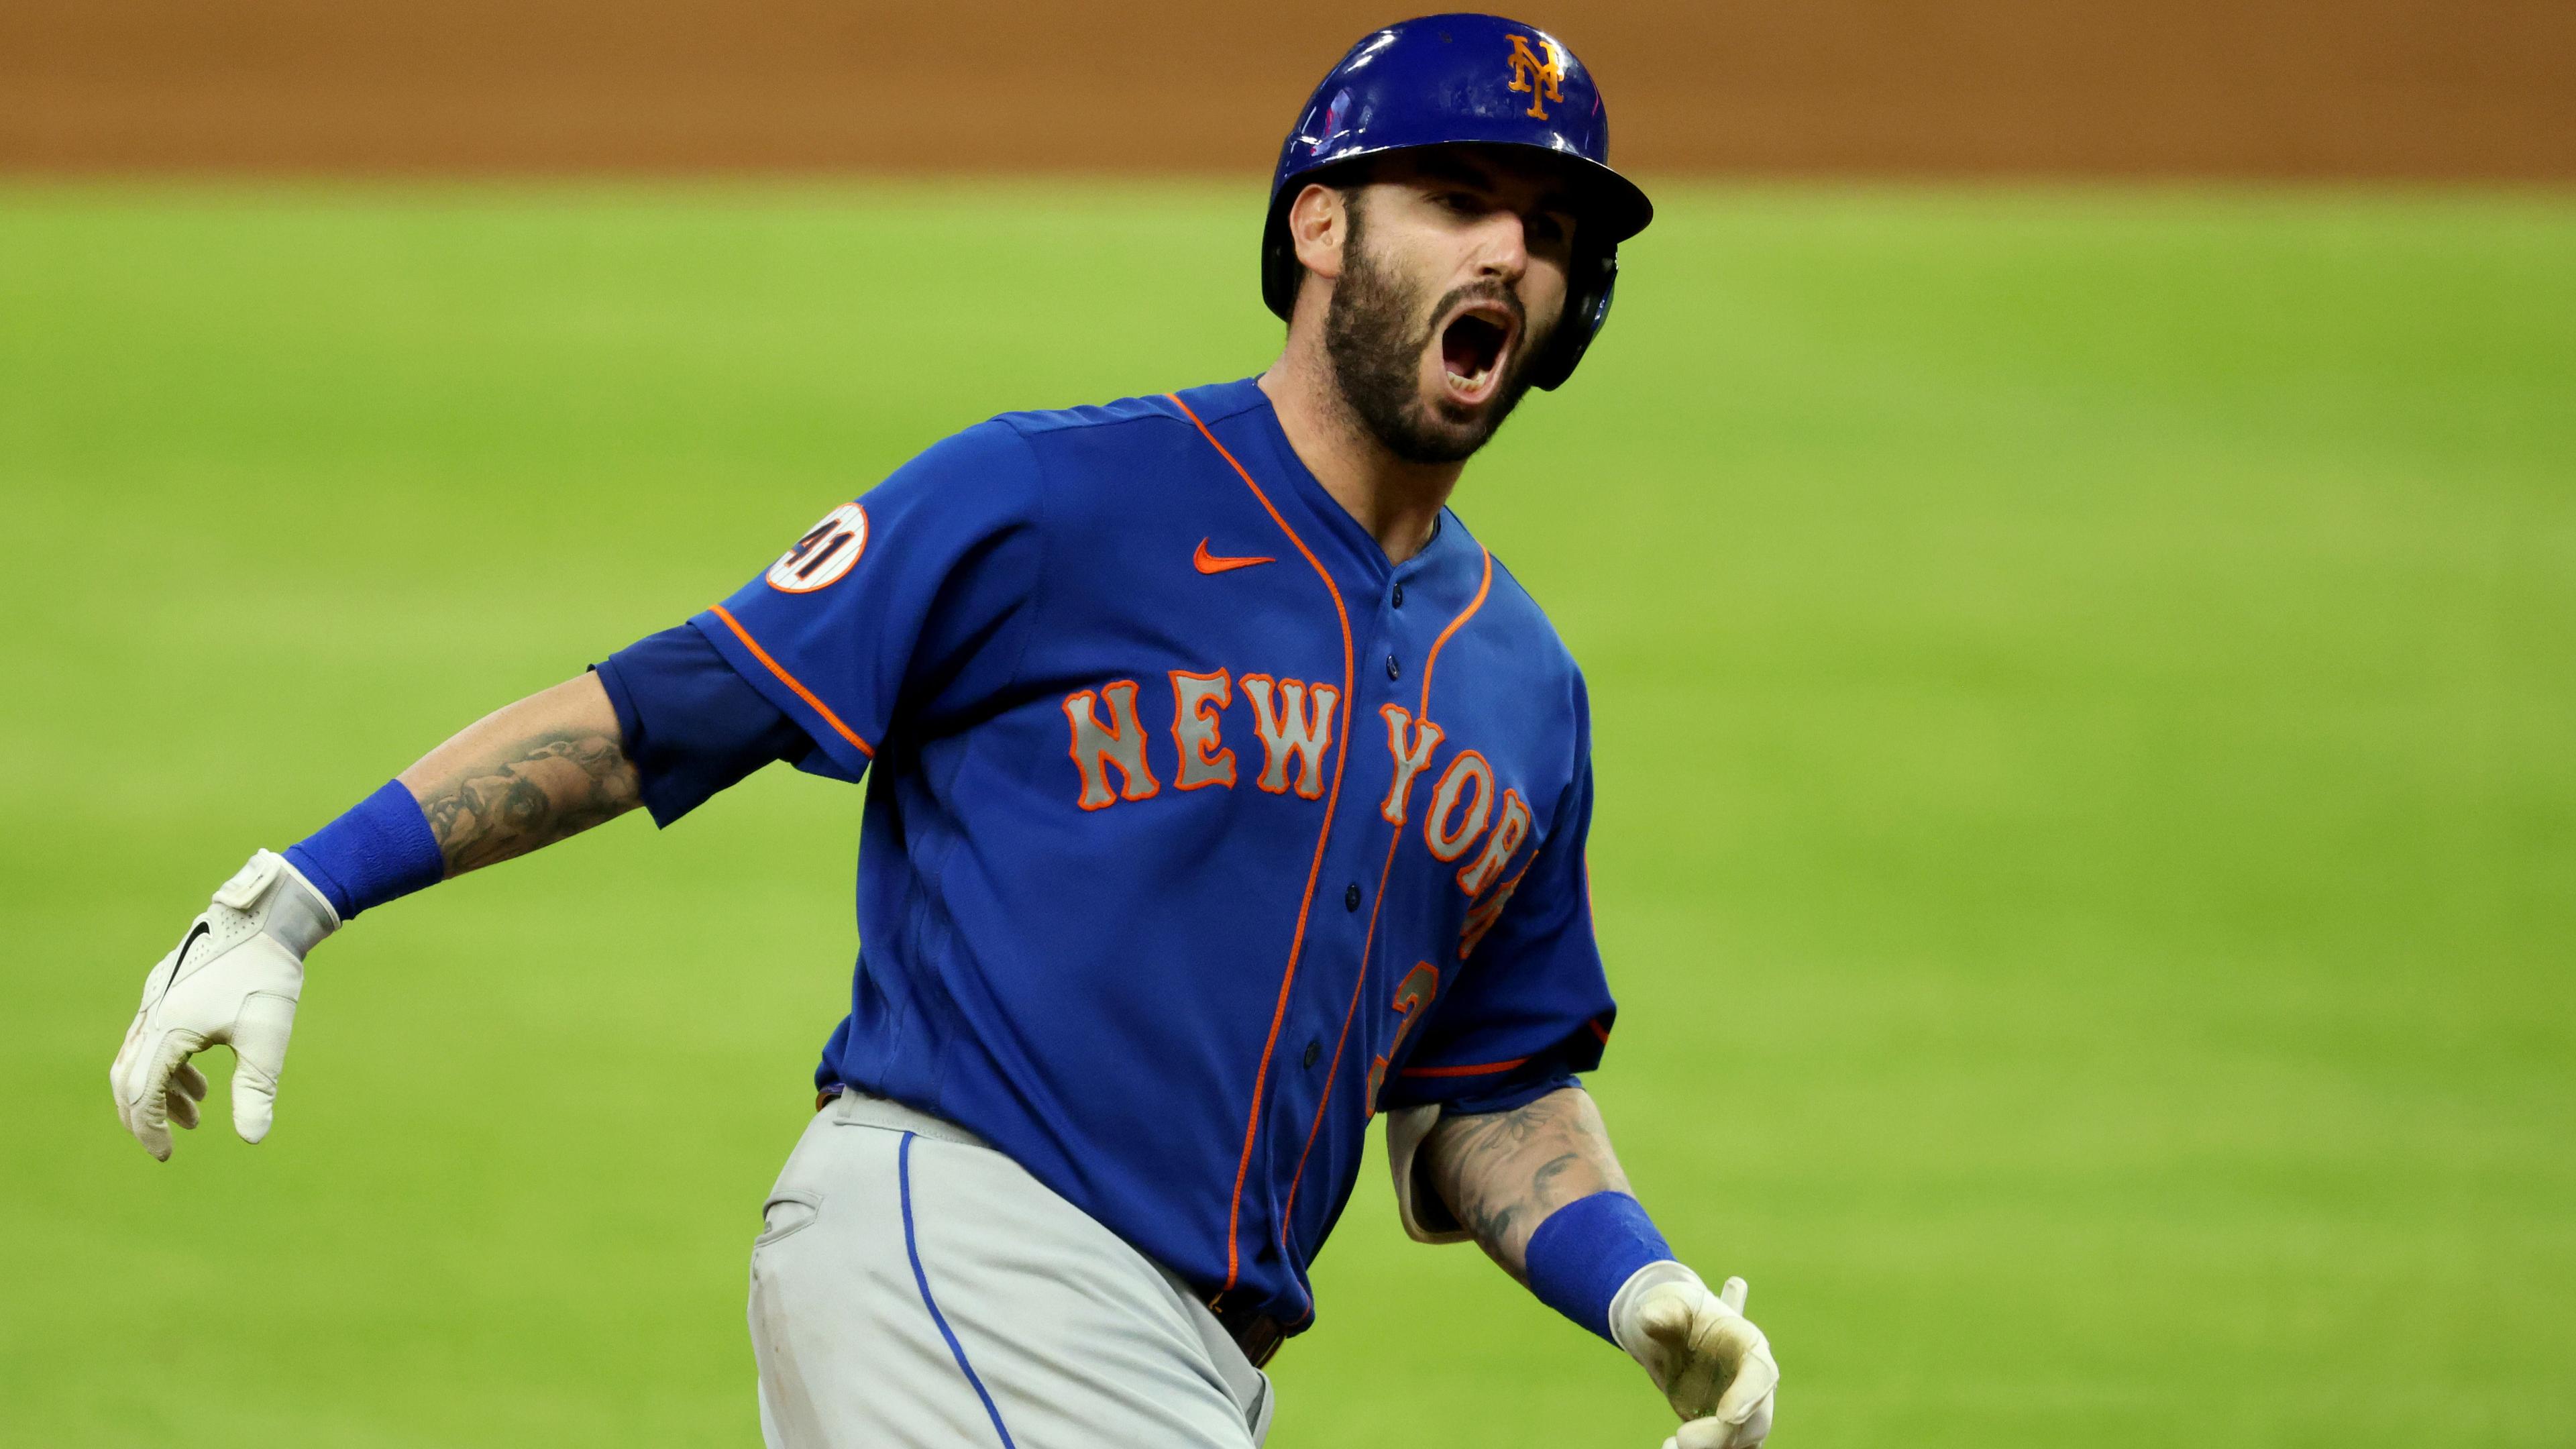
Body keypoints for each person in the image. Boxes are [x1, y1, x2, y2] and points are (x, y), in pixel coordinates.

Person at [109, 14, 1779, 1448]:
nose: (1511, 254)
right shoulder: (1059, 500)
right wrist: (304, 894)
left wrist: (1636, 1285)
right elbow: (678, 701)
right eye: (1462, 201)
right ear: (1324, 230)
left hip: (1184, 1362)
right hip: (966, 1251)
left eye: (1552, 230)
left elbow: (1487, 1087)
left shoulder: (1523, 689)